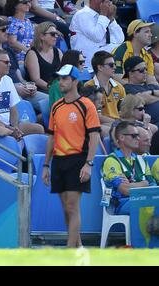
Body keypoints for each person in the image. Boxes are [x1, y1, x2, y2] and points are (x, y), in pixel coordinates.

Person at [42, 64, 101, 247]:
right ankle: (78, 247)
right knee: (66, 210)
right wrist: (46, 165)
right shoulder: (56, 106)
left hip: (78, 160)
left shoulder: (86, 105)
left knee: (72, 207)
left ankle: (69, 252)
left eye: (65, 78)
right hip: (59, 161)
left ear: (75, 81)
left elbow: (94, 136)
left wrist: (89, 164)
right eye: (59, 78)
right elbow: (51, 137)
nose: (61, 82)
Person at [0, 16, 48, 113]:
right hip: (2, 92)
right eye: (3, 30)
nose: (7, 32)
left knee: (50, 102)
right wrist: (14, 87)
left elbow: (17, 72)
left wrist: (26, 85)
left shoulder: (9, 50)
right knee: (22, 111)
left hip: (20, 88)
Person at [0, 49, 44, 137]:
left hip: (10, 125)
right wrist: (8, 129)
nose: (10, 65)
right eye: (6, 62)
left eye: (9, 62)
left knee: (38, 129)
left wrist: (14, 127)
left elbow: (13, 108)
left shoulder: (8, 80)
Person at [102, 121, 156, 215]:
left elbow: (153, 186)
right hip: (123, 204)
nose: (138, 139)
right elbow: (125, 190)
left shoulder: (141, 159)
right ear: (122, 137)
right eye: (134, 136)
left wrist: (132, 185)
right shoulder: (112, 160)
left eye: (138, 136)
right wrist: (144, 183)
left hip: (144, 200)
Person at [69, 0, 124, 72]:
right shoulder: (82, 14)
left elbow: (120, 39)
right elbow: (97, 37)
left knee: (126, 48)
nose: (108, 4)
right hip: (88, 63)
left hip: (103, 58)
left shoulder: (103, 17)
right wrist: (104, 15)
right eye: (105, 1)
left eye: (110, 1)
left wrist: (110, 18)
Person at [84, 51, 125, 126]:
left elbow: (124, 110)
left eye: (115, 64)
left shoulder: (119, 87)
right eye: (111, 65)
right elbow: (95, 115)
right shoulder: (88, 86)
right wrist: (118, 124)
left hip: (118, 124)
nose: (115, 67)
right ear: (100, 67)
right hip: (100, 124)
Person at [112, 19, 157, 85]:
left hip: (140, 90)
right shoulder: (121, 51)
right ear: (135, 33)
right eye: (147, 32)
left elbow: (151, 80)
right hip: (122, 91)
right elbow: (118, 79)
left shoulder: (147, 54)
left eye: (150, 32)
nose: (151, 35)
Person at [25, 21, 62, 93]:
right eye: (53, 34)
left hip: (56, 88)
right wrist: (54, 89)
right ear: (42, 36)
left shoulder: (57, 51)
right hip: (41, 90)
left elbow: (64, 71)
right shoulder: (32, 54)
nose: (56, 36)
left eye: (56, 34)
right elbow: (36, 80)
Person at [122, 56, 159, 127]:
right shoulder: (127, 89)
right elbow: (140, 99)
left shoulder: (152, 86)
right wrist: (154, 93)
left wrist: (150, 93)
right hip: (153, 125)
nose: (145, 72)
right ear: (131, 73)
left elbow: (146, 97)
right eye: (141, 70)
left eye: (146, 69)